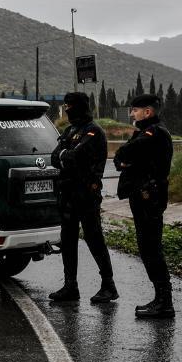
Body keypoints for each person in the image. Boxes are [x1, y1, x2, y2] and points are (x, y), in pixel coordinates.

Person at [48, 92, 116, 303]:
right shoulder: (70, 131)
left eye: (70, 106)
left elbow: (73, 157)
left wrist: (65, 156)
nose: (67, 110)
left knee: (94, 238)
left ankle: (108, 285)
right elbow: (55, 157)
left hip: (86, 193)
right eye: (66, 106)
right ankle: (70, 286)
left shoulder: (94, 131)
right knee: (67, 241)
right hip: (67, 193)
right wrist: (64, 155)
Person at [114, 93, 175, 319]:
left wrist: (127, 159)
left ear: (147, 112)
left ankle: (164, 302)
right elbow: (120, 159)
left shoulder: (154, 133)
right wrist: (125, 160)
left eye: (135, 110)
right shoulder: (144, 132)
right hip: (142, 196)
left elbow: (124, 153)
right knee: (147, 247)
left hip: (150, 197)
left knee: (151, 249)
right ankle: (161, 300)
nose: (131, 114)